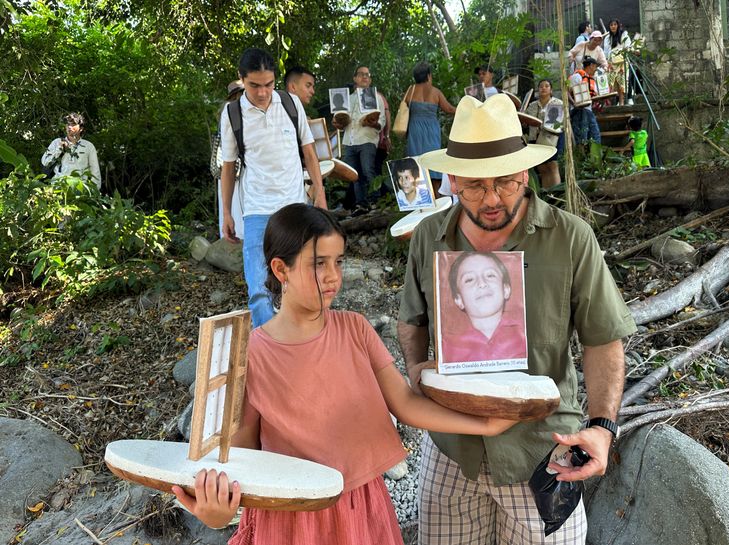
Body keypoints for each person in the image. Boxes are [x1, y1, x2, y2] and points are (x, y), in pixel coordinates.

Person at [173, 203, 516, 545]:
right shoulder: (252, 356)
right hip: (291, 522)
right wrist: (217, 513)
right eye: (318, 263)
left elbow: (406, 404)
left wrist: (484, 424)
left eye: (338, 261)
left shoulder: (355, 329)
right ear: (281, 269)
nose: (333, 275)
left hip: (363, 509)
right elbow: (241, 461)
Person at [397, 93, 637, 545]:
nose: (491, 198)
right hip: (453, 448)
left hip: (543, 452)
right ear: (451, 178)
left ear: (525, 172)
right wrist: (415, 374)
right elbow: (412, 319)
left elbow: (603, 339)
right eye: (473, 186)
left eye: (505, 183)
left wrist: (603, 428)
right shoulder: (430, 235)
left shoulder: (570, 238)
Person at [219, 47, 326, 329]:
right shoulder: (232, 114)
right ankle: (271, 351)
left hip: (295, 208)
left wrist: (321, 194)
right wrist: (227, 213)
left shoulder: (291, 104)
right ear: (242, 79)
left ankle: (305, 340)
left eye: (268, 84)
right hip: (255, 211)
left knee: (302, 280)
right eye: (254, 85)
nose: (263, 92)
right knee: (258, 290)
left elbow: (309, 152)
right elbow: (227, 167)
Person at [440, 252, 526, 363]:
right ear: (459, 299)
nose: (482, 283)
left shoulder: (523, 337)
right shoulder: (448, 348)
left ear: (506, 289)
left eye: (490, 275)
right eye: (469, 279)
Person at [332, 65, 385, 211]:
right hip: (349, 140)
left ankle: (376, 202)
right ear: (355, 78)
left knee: (369, 171)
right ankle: (360, 204)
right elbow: (341, 122)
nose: (365, 77)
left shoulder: (376, 98)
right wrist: (337, 123)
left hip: (367, 139)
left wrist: (374, 123)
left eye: (367, 74)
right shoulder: (346, 99)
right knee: (354, 176)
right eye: (361, 74)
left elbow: (382, 122)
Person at [405, 62, 456, 196]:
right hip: (431, 131)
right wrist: (465, 109)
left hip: (415, 130)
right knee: (434, 161)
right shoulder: (435, 92)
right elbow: (449, 109)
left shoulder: (411, 91)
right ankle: (437, 195)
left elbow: (404, 110)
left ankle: (420, 198)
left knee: (417, 162)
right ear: (428, 76)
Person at [210, 81, 246, 240]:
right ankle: (238, 233)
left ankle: (229, 233)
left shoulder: (227, 110)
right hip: (234, 164)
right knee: (237, 200)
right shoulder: (232, 111)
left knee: (229, 199)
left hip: (228, 164)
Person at [41, 112, 101, 189]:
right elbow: (45, 162)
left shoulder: (88, 146)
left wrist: (94, 193)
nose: (69, 127)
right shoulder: (57, 142)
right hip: (58, 188)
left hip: (79, 189)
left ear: (81, 128)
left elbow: (95, 172)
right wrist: (59, 150)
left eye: (73, 125)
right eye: (68, 124)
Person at [525, 79, 564, 189]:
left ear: (551, 90)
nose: (543, 88)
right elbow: (525, 121)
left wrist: (541, 124)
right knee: (542, 167)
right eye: (541, 86)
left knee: (552, 165)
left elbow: (556, 124)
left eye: (547, 86)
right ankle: (547, 194)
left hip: (552, 138)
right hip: (535, 138)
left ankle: (556, 193)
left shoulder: (557, 103)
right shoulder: (532, 105)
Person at [569, 57, 602, 145]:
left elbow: (593, 96)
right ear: (591, 65)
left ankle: (595, 156)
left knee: (595, 135)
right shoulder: (576, 77)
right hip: (578, 111)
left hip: (589, 110)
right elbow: (566, 93)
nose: (596, 70)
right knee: (582, 136)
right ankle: (581, 155)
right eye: (595, 67)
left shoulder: (592, 80)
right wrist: (574, 103)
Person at [602, 20, 631, 104]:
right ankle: (612, 103)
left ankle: (621, 102)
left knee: (622, 82)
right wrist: (606, 62)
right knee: (611, 83)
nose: (613, 26)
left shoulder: (624, 35)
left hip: (622, 62)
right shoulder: (607, 38)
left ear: (618, 25)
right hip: (611, 63)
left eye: (615, 24)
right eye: (611, 25)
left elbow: (627, 47)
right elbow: (606, 52)